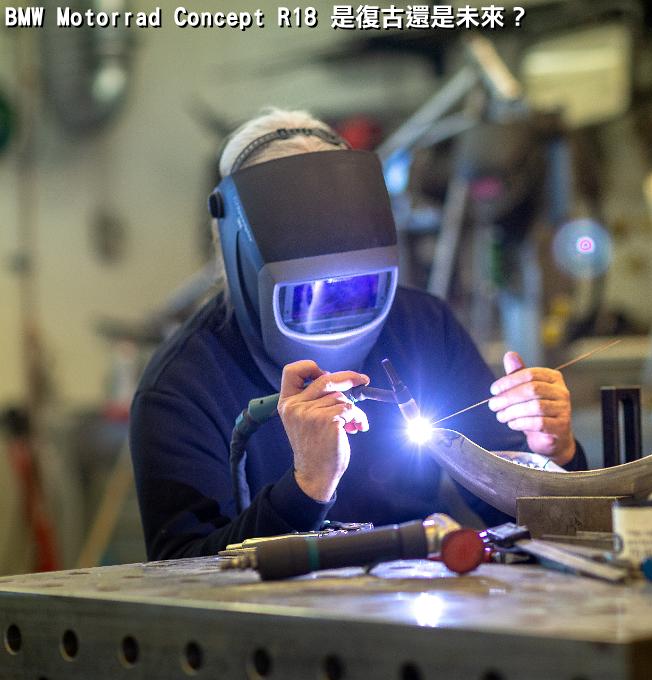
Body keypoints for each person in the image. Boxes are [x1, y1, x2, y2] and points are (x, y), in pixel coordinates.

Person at [130, 108, 586, 560]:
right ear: (246, 263)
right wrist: (306, 488)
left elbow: (521, 518)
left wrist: (552, 458)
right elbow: (179, 570)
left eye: (361, 287)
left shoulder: (423, 328)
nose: (339, 310)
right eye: (308, 295)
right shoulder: (183, 386)